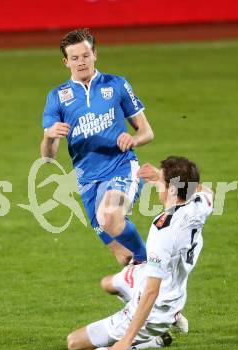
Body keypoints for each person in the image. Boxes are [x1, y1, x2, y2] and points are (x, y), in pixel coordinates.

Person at [66, 156, 213, 350]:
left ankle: (153, 340)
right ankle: (171, 317)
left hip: (157, 308)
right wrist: (176, 178)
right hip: (170, 286)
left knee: (74, 342)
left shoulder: (163, 231)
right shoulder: (199, 204)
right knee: (108, 283)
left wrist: (125, 341)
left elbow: (151, 292)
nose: (156, 185)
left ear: (172, 189)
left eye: (160, 181)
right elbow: (204, 190)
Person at [40, 28, 154, 265]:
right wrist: (50, 137)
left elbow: (146, 132)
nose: (81, 62)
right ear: (66, 62)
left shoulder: (117, 84)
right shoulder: (57, 97)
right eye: (75, 58)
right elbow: (48, 158)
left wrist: (134, 139)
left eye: (85, 55)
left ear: (95, 55)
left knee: (110, 215)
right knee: (124, 256)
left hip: (121, 168)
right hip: (87, 181)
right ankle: (142, 295)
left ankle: (153, 263)